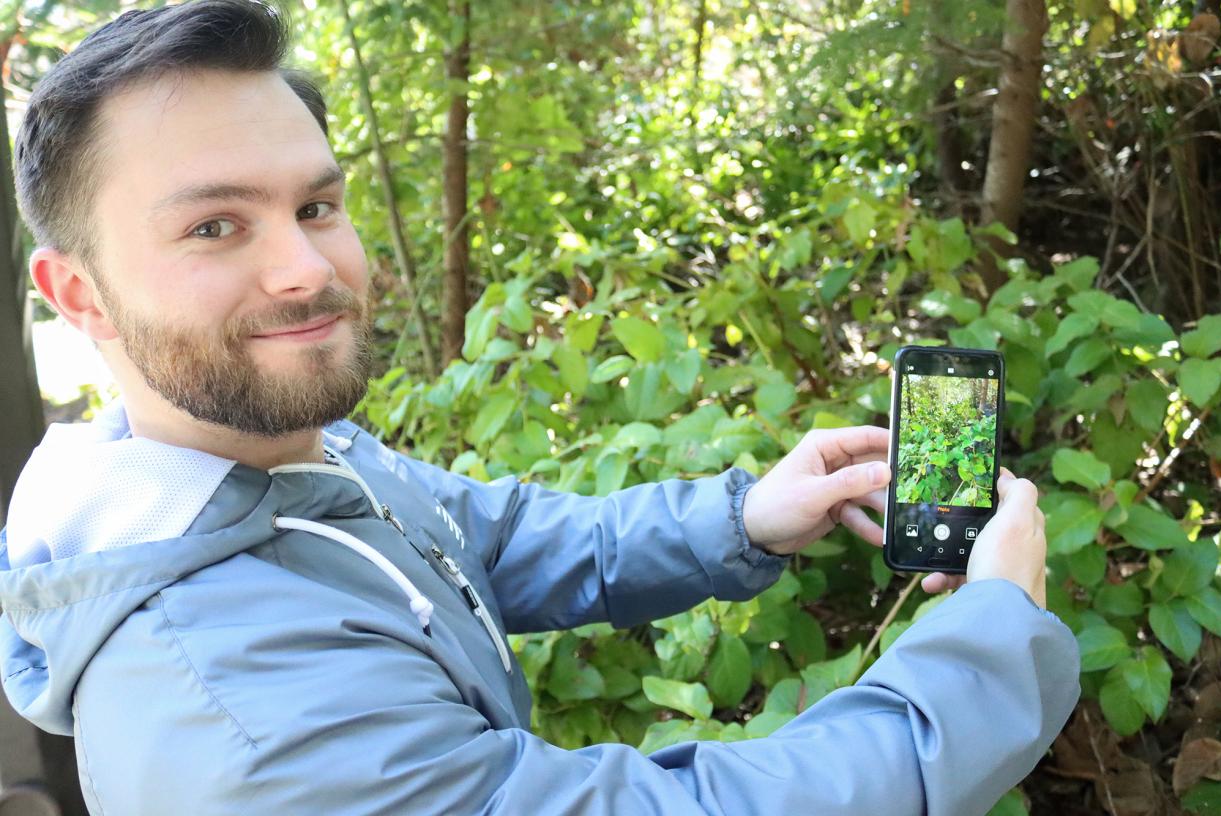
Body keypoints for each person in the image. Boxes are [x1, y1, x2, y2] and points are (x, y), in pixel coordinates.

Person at [0, 2, 1079, 814]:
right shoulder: (240, 713)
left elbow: (485, 539)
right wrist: (991, 642)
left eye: (316, 205)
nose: (304, 269)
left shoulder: (263, 461)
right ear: (79, 296)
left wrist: (744, 517)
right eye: (212, 228)